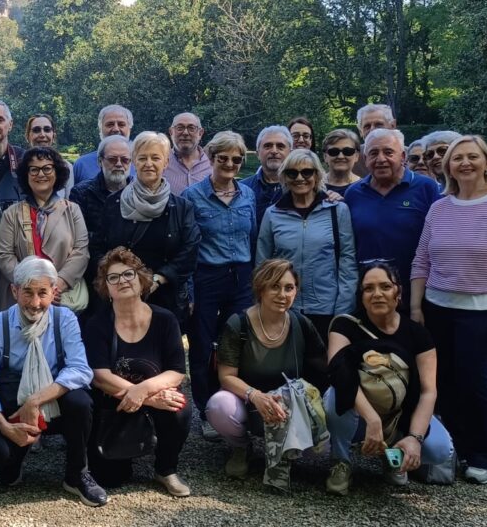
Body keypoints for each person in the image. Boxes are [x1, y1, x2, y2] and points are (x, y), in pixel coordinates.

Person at [411, 135, 487, 484]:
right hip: (436, 307)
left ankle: (485, 452)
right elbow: (422, 259)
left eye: (472, 157)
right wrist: (416, 307)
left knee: (475, 382)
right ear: (447, 166)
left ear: (486, 162)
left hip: (481, 311)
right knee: (441, 381)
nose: (465, 163)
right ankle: (453, 447)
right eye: (457, 157)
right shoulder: (440, 207)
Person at [0, 258, 106, 506]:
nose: (35, 303)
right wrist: (5, 427)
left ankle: (77, 474)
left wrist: (35, 400)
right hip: (14, 408)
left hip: (53, 405)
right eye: (27, 292)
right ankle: (15, 456)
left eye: (42, 293)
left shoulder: (65, 319)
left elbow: (80, 368)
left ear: (54, 292)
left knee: (80, 401)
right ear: (14, 291)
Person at [324, 263, 454, 495]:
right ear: (361, 296)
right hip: (360, 411)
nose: (377, 294)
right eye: (368, 288)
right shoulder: (345, 325)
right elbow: (339, 372)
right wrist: (372, 419)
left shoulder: (418, 334)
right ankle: (341, 462)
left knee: (439, 450)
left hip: (400, 412)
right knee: (335, 397)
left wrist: (415, 438)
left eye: (385, 286)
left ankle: (394, 455)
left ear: (398, 293)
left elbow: (428, 391)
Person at [205, 259, 327, 485]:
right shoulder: (238, 324)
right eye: (275, 286)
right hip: (249, 404)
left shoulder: (302, 324)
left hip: (290, 409)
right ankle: (241, 447)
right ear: (260, 288)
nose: (282, 294)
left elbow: (323, 368)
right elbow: (226, 376)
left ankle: (289, 450)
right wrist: (256, 396)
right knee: (218, 406)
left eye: (289, 288)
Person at [83, 249, 191, 497]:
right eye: (113, 277)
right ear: (105, 288)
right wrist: (145, 396)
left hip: (151, 396)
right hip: (114, 403)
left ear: (141, 279)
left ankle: (166, 468)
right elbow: (99, 375)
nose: (122, 281)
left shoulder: (166, 319)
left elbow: (176, 371)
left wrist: (142, 391)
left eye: (128, 274)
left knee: (180, 409)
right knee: (112, 478)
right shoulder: (97, 324)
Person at [182, 131, 256, 433]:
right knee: (201, 344)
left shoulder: (248, 194)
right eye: (222, 158)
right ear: (210, 159)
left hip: (241, 278)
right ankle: (205, 407)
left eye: (236, 159)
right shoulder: (192, 196)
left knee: (235, 343)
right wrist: (188, 289)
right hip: (206, 277)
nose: (229, 163)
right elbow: (187, 245)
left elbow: (252, 235)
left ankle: (232, 402)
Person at [89, 132, 198, 323]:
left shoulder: (182, 208)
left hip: (164, 297)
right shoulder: (113, 203)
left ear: (166, 163)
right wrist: (117, 279)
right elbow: (98, 247)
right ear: (134, 162)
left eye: (155, 158)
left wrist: (157, 279)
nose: (149, 163)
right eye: (142, 158)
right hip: (120, 296)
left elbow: (190, 251)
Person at [256, 149, 357, 341]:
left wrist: (343, 308)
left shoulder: (338, 211)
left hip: (327, 307)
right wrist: (265, 303)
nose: (300, 178)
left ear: (317, 174)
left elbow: (347, 261)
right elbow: (263, 263)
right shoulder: (273, 214)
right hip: (284, 306)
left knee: (324, 366)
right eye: (292, 173)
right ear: (284, 177)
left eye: (307, 172)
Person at [342, 128, 441, 315]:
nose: (380, 159)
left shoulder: (426, 188)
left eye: (388, 152)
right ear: (364, 158)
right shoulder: (353, 193)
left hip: (418, 295)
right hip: (371, 295)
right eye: (373, 153)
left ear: (402, 156)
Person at [0, 147, 88, 314]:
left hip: (60, 296)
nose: (41, 174)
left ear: (57, 172)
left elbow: (81, 252)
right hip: (21, 298)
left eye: (47, 168)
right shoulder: (12, 213)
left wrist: (57, 284)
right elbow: (4, 254)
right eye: (34, 169)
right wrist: (31, 285)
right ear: (26, 175)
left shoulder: (72, 210)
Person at [70, 135, 132, 307]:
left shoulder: (138, 194)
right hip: (94, 277)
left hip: (131, 277)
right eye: (112, 159)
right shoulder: (81, 193)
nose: (119, 164)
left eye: (125, 159)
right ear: (100, 161)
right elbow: (80, 238)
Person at [241, 125, 292, 227]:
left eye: (280, 146)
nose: (274, 151)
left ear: (290, 153)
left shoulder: (301, 188)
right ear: (258, 153)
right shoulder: (242, 189)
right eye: (267, 146)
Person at [72, 104, 133, 184]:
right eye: (110, 124)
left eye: (121, 124)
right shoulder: (82, 165)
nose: (116, 129)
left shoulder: (141, 164)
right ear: (100, 129)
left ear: (129, 129)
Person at [165, 112, 211, 195]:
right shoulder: (161, 163)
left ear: (200, 133)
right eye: (180, 128)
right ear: (171, 132)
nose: (185, 133)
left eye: (191, 128)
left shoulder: (212, 163)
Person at [353, 103, 396, 177]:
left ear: (392, 126)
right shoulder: (352, 158)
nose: (372, 130)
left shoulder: (411, 156)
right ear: (360, 131)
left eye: (378, 125)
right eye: (367, 126)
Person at [322, 129, 362, 196]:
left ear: (356, 156)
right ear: (325, 156)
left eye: (347, 151)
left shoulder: (365, 188)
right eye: (334, 151)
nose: (340, 157)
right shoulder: (314, 186)